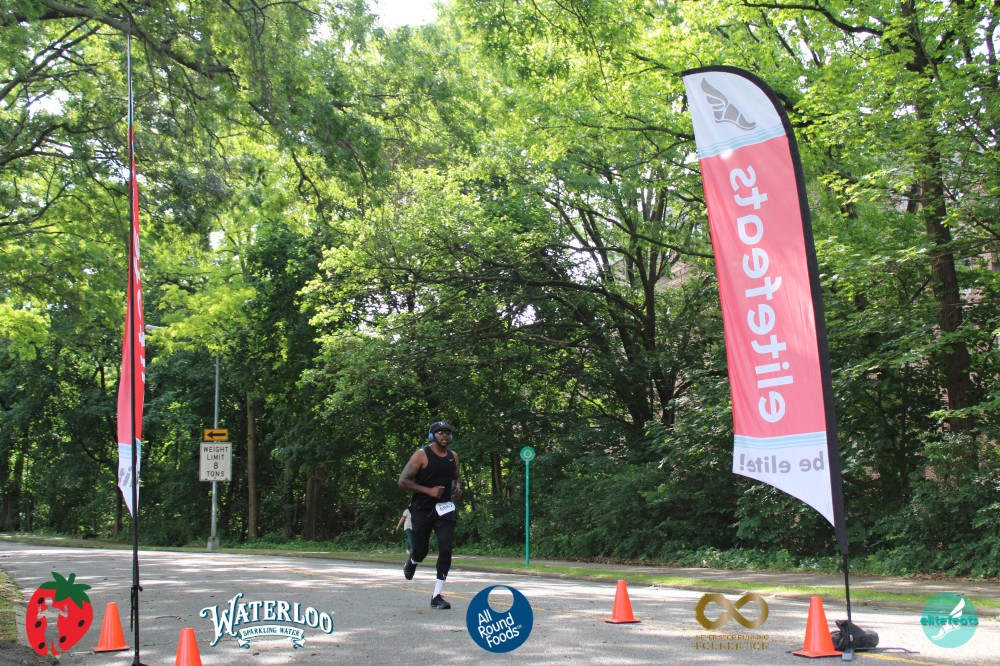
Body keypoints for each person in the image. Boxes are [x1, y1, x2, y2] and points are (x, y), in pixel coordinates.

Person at [398, 420, 462, 610]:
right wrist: (428, 490)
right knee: (421, 550)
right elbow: (402, 481)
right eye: (440, 432)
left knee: (446, 549)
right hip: (422, 509)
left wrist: (457, 488)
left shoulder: (453, 456)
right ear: (432, 435)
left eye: (447, 432)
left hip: (444, 509)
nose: (444, 435)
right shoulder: (421, 454)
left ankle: (437, 596)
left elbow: (456, 477)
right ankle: (413, 561)